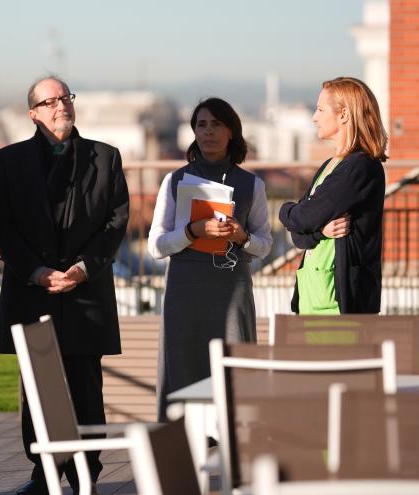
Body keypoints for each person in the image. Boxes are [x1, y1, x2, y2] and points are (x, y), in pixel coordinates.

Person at [0, 76, 130, 494]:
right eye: (49, 101)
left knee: (86, 386)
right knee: (38, 385)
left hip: (86, 289)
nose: (60, 105)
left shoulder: (105, 157)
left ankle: (87, 472)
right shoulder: (9, 160)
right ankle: (43, 470)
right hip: (33, 289)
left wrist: (85, 268)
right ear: (33, 113)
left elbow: (116, 222)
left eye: (65, 97)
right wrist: (35, 271)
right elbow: (3, 224)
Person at [148, 97, 272, 418]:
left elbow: (265, 245)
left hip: (231, 292)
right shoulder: (174, 181)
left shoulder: (252, 185)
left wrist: (240, 236)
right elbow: (156, 246)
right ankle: (181, 447)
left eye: (217, 124)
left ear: (232, 131)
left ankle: (235, 447)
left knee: (234, 373)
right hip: (185, 293)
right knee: (183, 369)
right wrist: (192, 231)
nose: (208, 132)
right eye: (201, 125)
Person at [279, 77, 388, 315]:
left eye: (320, 109)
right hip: (314, 296)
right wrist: (319, 231)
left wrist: (284, 211)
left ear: (344, 115)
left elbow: (302, 218)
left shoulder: (360, 167)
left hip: (338, 303)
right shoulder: (331, 165)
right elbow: (299, 236)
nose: (314, 117)